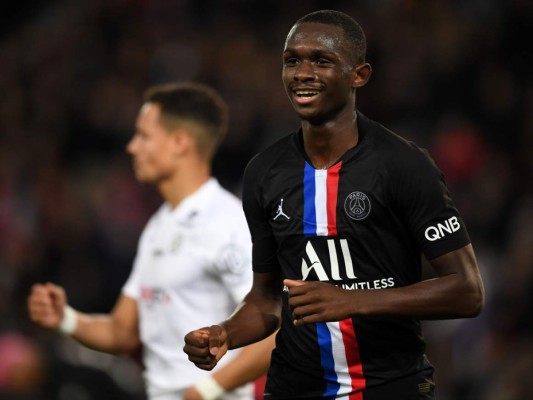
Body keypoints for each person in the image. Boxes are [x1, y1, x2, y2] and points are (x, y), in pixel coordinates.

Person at [183, 10, 485, 400]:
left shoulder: (404, 166)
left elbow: (467, 291)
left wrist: (354, 300)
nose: (302, 72)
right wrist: (224, 333)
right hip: (295, 387)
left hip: (389, 386)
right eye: (292, 61)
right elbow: (267, 299)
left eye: (321, 61)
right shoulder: (264, 173)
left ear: (359, 75)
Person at [27, 82, 275, 400]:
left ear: (179, 142)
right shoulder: (158, 227)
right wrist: (65, 318)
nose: (133, 147)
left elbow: (275, 331)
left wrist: (208, 388)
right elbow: (122, 332)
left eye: (144, 136)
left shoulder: (228, 224)